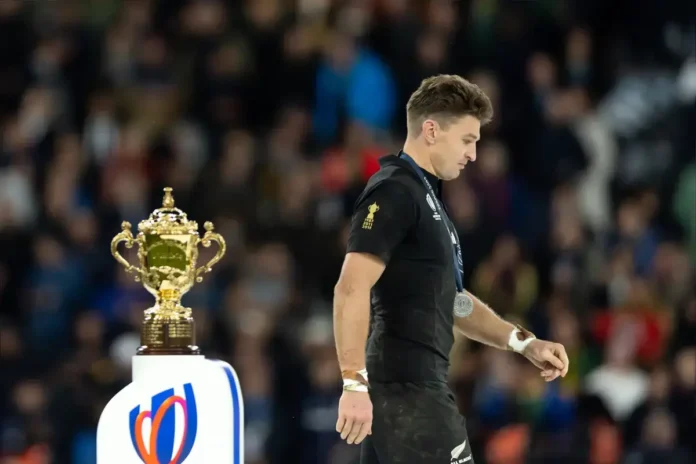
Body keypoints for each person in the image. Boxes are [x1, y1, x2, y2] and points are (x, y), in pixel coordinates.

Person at [332, 75, 570, 464]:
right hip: (408, 393)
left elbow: (453, 301)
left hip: (410, 392)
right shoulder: (395, 191)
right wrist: (353, 384)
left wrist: (524, 344)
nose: (473, 154)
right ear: (431, 131)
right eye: (467, 140)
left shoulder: (428, 201)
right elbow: (350, 288)